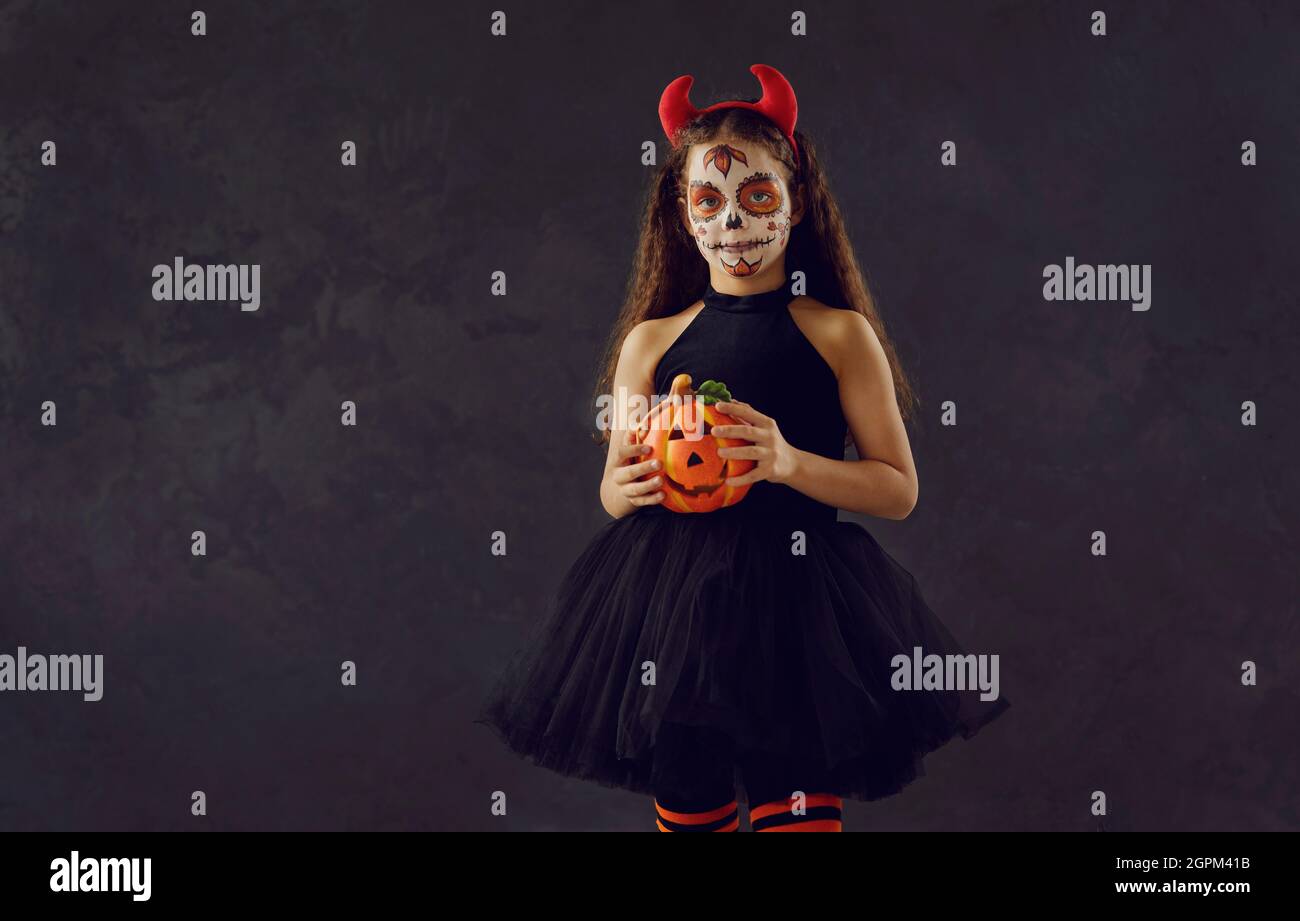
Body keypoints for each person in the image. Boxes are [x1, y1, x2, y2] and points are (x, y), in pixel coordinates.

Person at [477, 64, 1009, 832]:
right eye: (710, 200)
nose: (733, 222)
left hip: (801, 609)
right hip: (676, 613)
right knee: (692, 801)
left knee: (794, 798)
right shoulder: (650, 343)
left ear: (795, 208)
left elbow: (898, 488)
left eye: (757, 196)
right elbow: (613, 491)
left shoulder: (837, 333)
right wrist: (635, 481)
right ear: (684, 217)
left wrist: (787, 461)